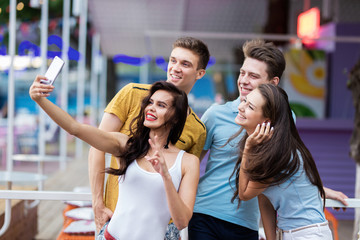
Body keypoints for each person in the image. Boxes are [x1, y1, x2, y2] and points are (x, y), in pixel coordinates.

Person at [188, 39, 348, 240]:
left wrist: (318, 190)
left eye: (253, 76)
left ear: (273, 83)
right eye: (242, 73)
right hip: (205, 214)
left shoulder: (284, 119)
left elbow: (280, 171)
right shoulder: (215, 114)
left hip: (246, 221)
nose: (244, 80)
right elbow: (191, 163)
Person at [29, 78, 200, 240]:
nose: (151, 108)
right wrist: (40, 100)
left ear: (176, 117)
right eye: (150, 102)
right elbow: (75, 129)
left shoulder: (188, 162)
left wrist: (166, 176)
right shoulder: (126, 145)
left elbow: (181, 221)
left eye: (161, 105)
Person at [88, 37, 210, 236]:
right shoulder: (131, 93)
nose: (176, 68)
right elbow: (97, 145)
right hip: (114, 222)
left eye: (185, 64)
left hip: (159, 230)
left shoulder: (198, 129)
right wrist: (97, 203)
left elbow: (184, 186)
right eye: (173, 60)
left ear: (200, 73)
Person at [232, 83, 332, 240]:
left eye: (250, 107)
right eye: (244, 101)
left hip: (308, 234)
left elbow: (244, 194)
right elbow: (264, 199)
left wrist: (248, 149)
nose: (241, 107)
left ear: (267, 119)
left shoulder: (277, 154)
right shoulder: (266, 150)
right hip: (292, 233)